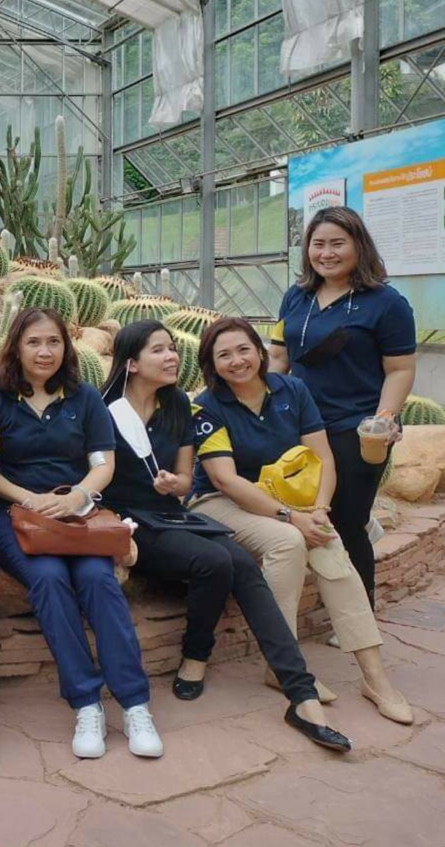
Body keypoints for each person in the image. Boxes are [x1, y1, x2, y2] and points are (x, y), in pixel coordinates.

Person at [101, 321, 351, 750]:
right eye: (158, 350)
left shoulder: (179, 405)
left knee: (240, 564)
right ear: (131, 363)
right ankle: (196, 653)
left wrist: (174, 485)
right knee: (218, 560)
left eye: (172, 348)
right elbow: (89, 472)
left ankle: (301, 695)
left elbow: (185, 480)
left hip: (172, 516)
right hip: (128, 522)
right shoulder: (102, 408)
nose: (172, 356)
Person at [189, 317, 413, 725]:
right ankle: (284, 664)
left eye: (243, 349)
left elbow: (323, 457)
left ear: (260, 352)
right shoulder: (207, 406)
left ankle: (376, 678)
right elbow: (225, 480)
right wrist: (292, 517)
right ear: (211, 364)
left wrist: (321, 510)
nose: (237, 361)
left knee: (328, 543)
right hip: (218, 501)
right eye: (224, 355)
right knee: (288, 541)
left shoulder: (292, 390)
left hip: (286, 500)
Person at [0, 307, 163, 760]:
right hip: (16, 516)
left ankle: (135, 704)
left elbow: (104, 464)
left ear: (66, 347)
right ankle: (86, 704)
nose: (44, 351)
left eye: (54, 342)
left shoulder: (85, 399)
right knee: (48, 579)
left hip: (78, 515)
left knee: (99, 581)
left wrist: (75, 497)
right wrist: (30, 498)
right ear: (15, 347)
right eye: (33, 342)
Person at [270, 206, 416, 606]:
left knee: (348, 521)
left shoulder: (386, 303)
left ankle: (359, 613)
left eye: (337, 243)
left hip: (357, 428)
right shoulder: (296, 296)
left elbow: (400, 369)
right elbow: (279, 358)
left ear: (359, 246)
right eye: (318, 244)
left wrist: (383, 419)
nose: (326, 253)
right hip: (302, 425)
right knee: (309, 514)